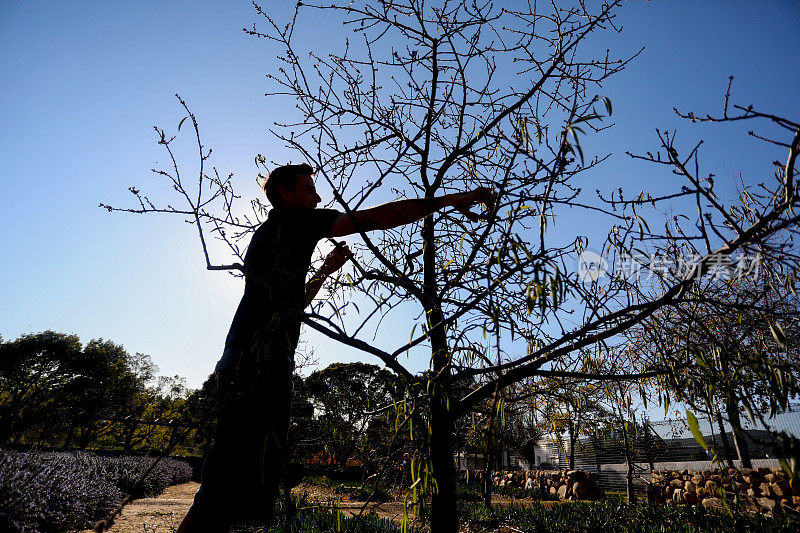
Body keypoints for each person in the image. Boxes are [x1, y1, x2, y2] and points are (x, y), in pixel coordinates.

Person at [178, 163, 493, 531]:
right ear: (285, 192)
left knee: (241, 488)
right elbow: (379, 218)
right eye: (310, 188)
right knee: (226, 486)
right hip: (257, 363)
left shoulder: (278, 233)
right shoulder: (294, 221)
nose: (318, 196)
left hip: (256, 362)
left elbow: (292, 306)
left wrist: (325, 271)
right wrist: (452, 199)